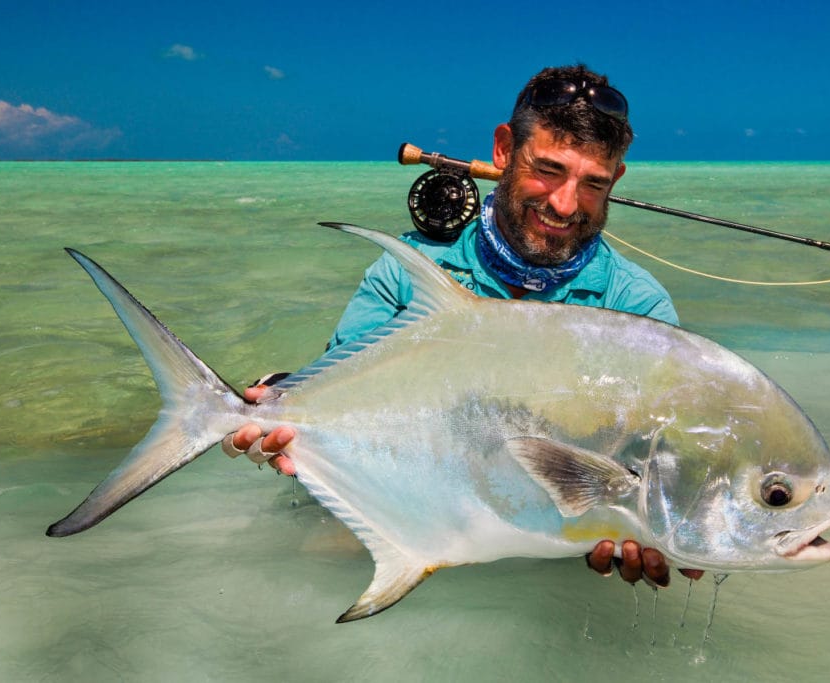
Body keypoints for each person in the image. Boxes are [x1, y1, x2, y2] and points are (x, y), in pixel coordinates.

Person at [225, 64, 702, 587]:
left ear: (617, 181)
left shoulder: (638, 310)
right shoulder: (408, 272)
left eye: (593, 183)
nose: (565, 203)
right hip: (389, 506)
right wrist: (277, 400)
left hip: (541, 556)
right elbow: (344, 390)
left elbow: (653, 470)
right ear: (503, 150)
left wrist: (663, 527)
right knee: (314, 553)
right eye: (548, 169)